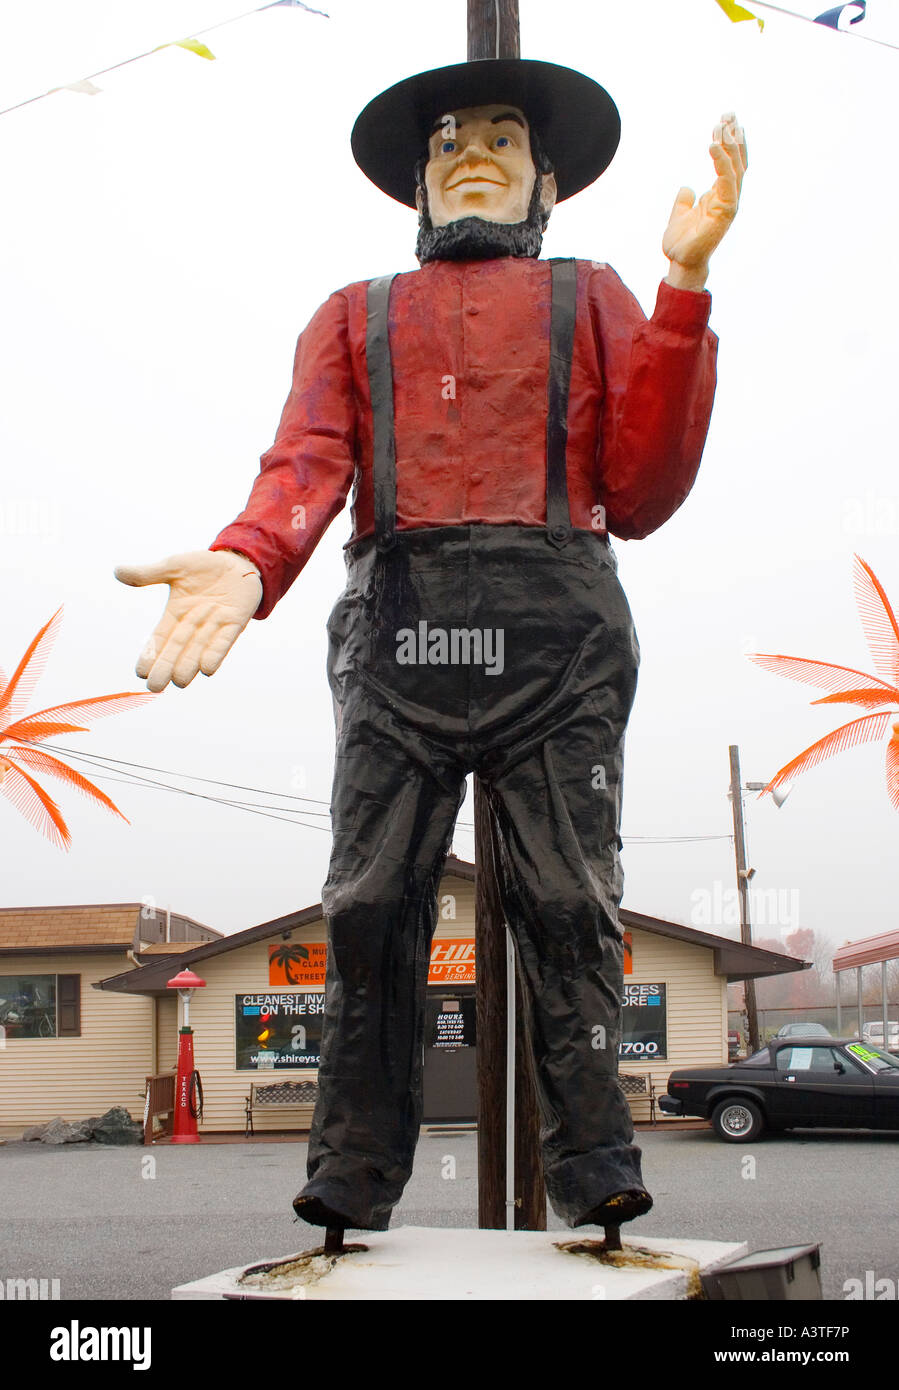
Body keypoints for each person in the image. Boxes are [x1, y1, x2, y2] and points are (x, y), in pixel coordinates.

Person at [116, 57, 747, 1236]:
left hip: (557, 624)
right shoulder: (351, 315)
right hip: (397, 628)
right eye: (452, 137)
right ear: (416, 185)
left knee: (568, 897)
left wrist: (682, 285)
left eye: (504, 139)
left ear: (543, 180)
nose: (473, 150)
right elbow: (304, 463)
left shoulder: (595, 294)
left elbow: (642, 486)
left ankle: (593, 1158)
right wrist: (252, 556)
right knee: (367, 899)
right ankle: (351, 1166)